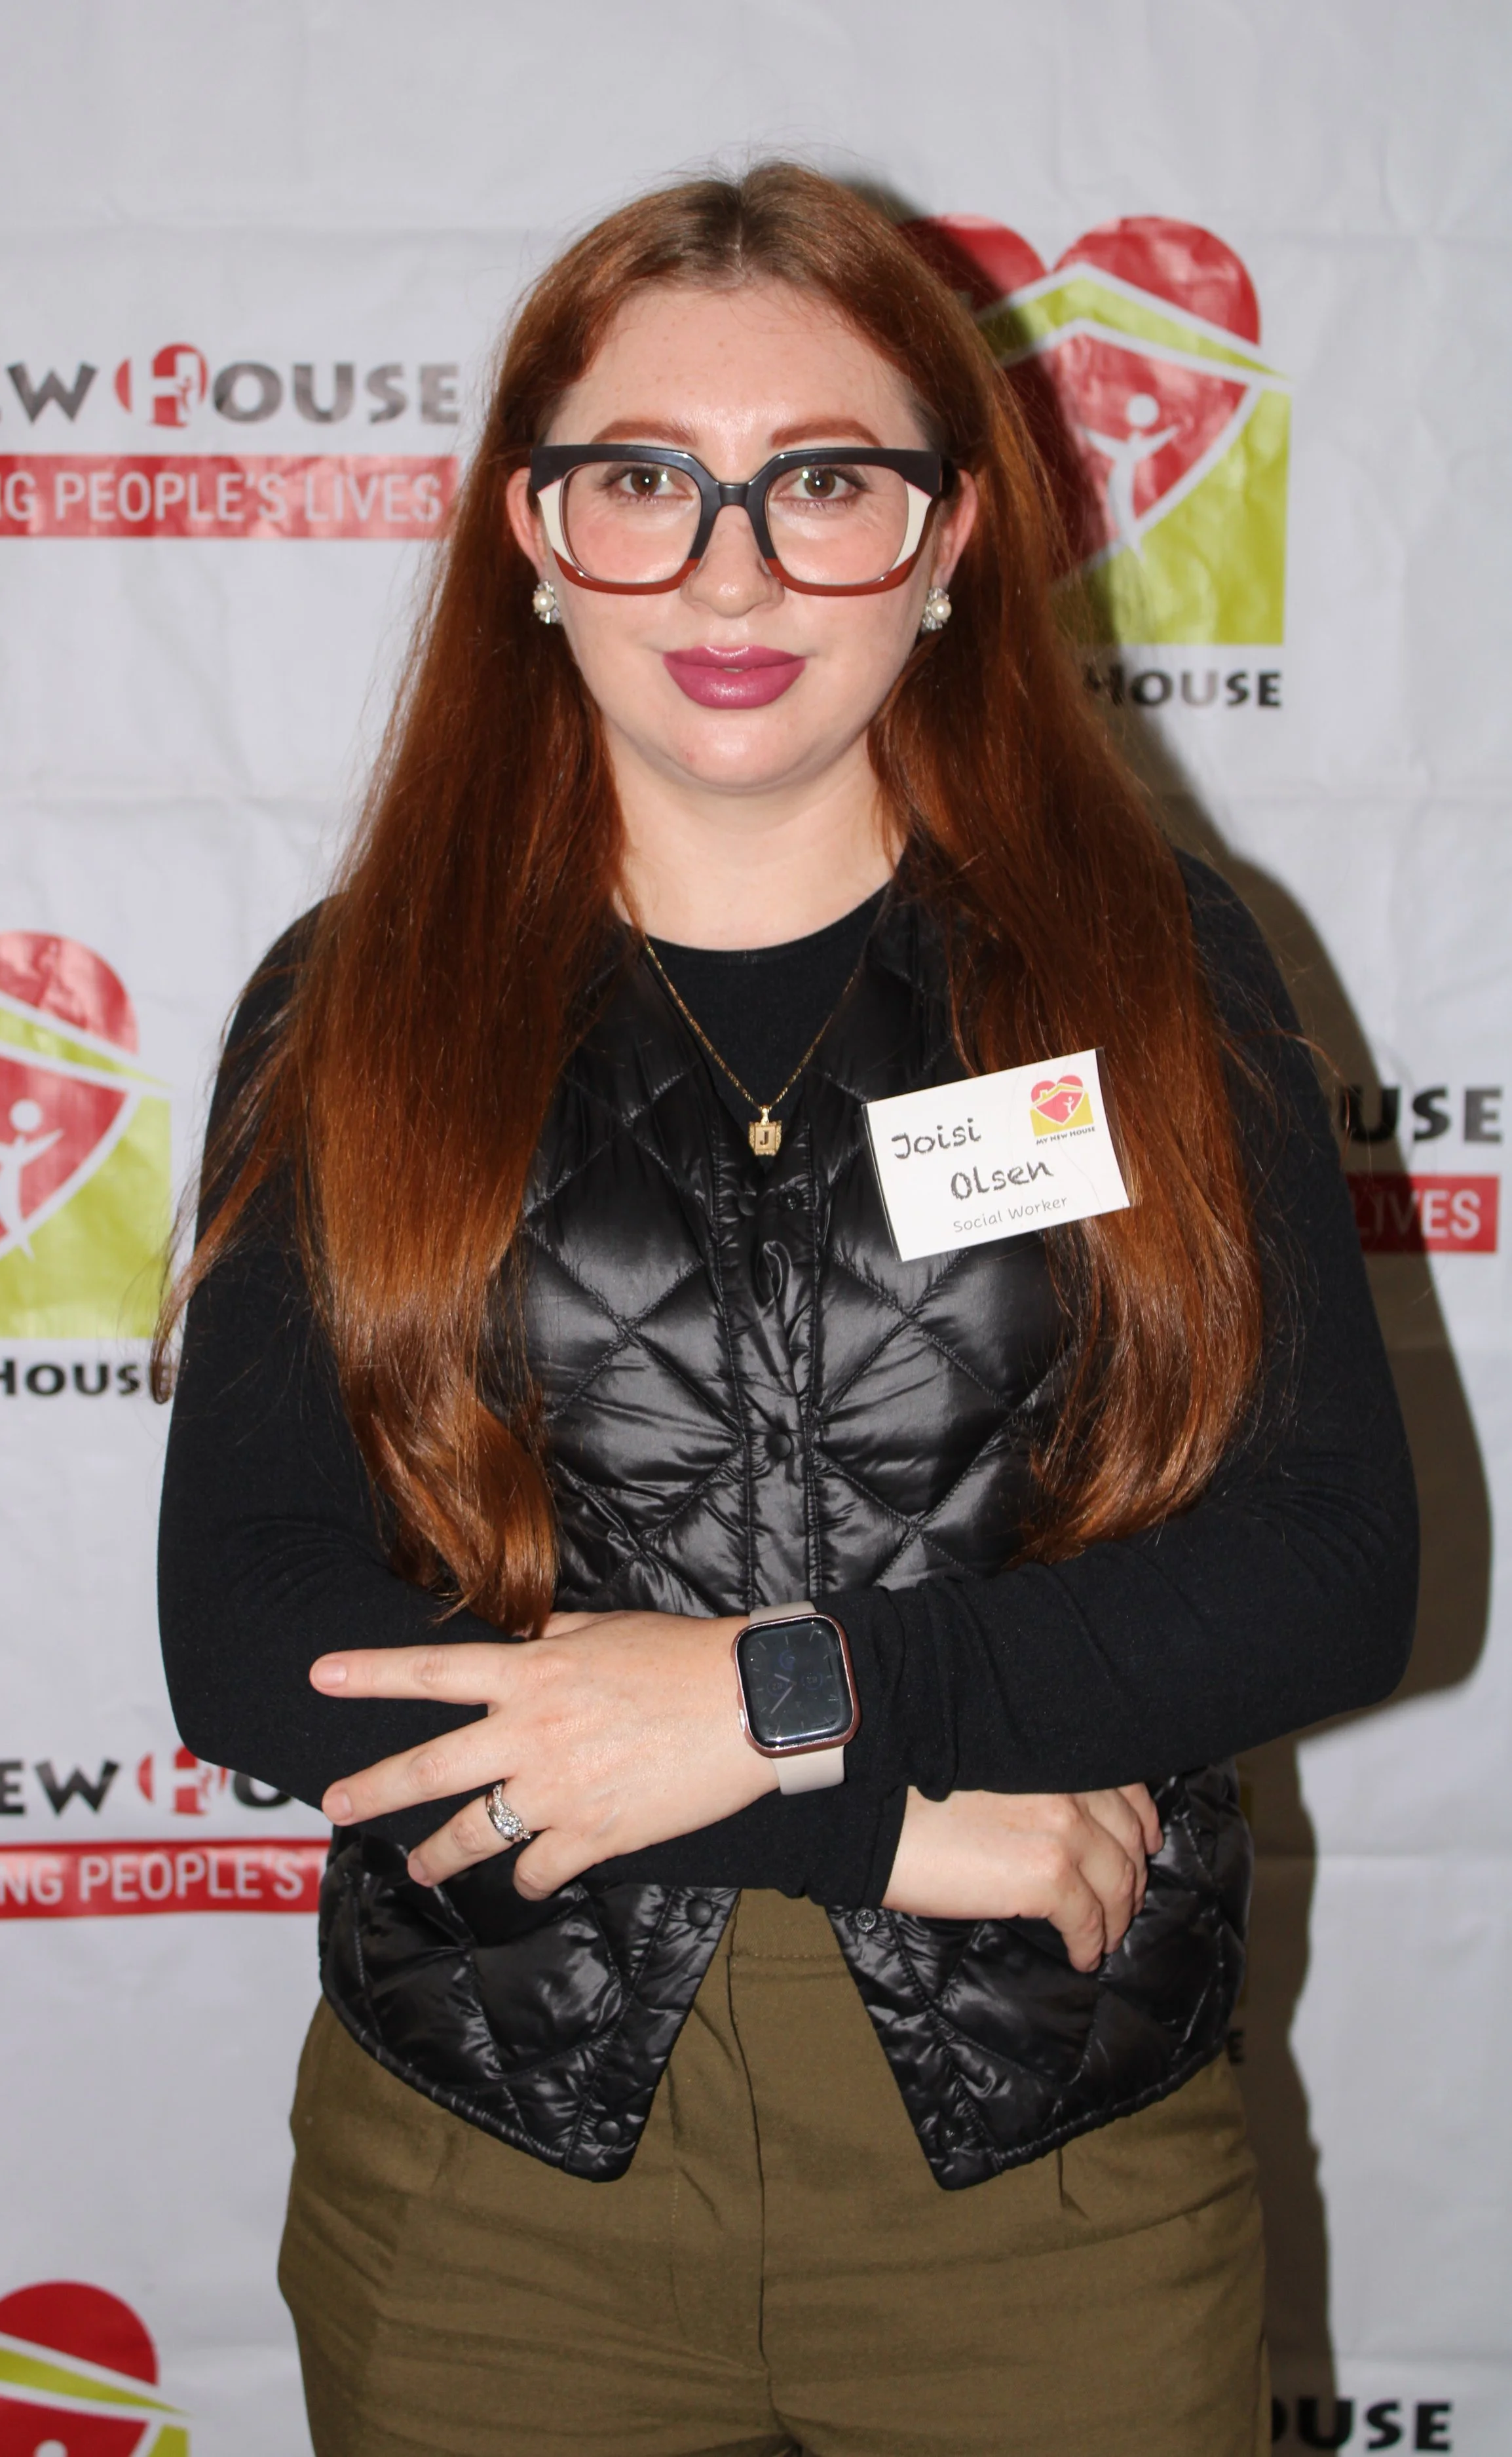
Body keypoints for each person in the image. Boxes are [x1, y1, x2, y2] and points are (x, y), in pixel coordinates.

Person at [155, 165, 1417, 2457]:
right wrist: (848, 1815)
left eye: (821, 482)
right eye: (644, 479)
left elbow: (1325, 1563)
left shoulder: (1148, 964)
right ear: (532, 535)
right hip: (496, 2181)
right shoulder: (359, 1002)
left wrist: (780, 1695)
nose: (729, 573)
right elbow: (252, 1628)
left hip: (1051, 2170)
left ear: (946, 543)